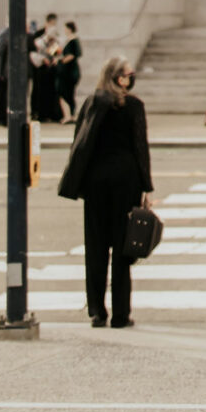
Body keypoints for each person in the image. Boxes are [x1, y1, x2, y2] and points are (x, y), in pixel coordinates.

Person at [58, 54, 153, 329]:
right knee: (124, 248)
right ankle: (121, 314)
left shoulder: (93, 103)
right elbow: (140, 148)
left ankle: (98, 311)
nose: (131, 77)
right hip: (126, 182)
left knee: (96, 248)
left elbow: (80, 142)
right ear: (118, 78)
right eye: (128, 73)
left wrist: (77, 181)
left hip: (97, 183)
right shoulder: (134, 106)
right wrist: (146, 186)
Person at [29, 14, 66, 123]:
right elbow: (35, 49)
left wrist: (55, 56)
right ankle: (38, 113)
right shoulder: (39, 35)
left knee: (52, 92)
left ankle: (52, 113)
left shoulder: (56, 36)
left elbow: (57, 51)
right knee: (38, 91)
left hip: (50, 68)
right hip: (40, 68)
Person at [58, 22, 81, 118]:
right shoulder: (69, 40)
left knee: (68, 93)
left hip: (70, 71)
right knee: (66, 93)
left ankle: (69, 115)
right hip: (67, 71)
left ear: (70, 29)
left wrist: (61, 60)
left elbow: (72, 55)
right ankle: (68, 114)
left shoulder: (73, 41)